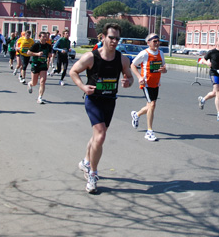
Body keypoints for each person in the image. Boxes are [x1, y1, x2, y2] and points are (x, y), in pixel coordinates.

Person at [70, 23, 133, 194]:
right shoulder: (91, 57)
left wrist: (128, 81)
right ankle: (93, 173)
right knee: (101, 134)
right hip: (94, 100)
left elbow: (129, 76)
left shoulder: (122, 59)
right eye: (111, 37)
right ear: (103, 37)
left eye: (117, 39)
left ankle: (85, 160)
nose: (114, 41)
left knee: (97, 136)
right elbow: (73, 72)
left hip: (109, 100)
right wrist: (83, 87)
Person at [130, 33, 167, 141]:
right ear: (148, 42)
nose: (157, 43)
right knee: (152, 105)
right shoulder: (144, 53)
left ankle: (136, 114)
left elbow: (164, 67)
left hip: (156, 83)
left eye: (158, 41)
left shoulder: (161, 53)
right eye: (154, 41)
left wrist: (164, 70)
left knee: (151, 106)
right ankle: (149, 131)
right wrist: (139, 77)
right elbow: (133, 65)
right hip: (146, 83)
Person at [198, 37, 219, 121]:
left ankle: (203, 99)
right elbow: (203, 59)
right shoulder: (212, 52)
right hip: (213, 73)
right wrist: (207, 63)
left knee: (214, 93)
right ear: (216, 42)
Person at [27, 31, 53, 104]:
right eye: (43, 37)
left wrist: (50, 55)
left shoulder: (48, 46)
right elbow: (28, 52)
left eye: (46, 37)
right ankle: (30, 84)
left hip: (43, 65)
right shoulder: (36, 45)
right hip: (35, 64)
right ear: (39, 37)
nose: (45, 38)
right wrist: (37, 54)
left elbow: (50, 53)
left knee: (42, 81)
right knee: (34, 83)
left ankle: (40, 97)